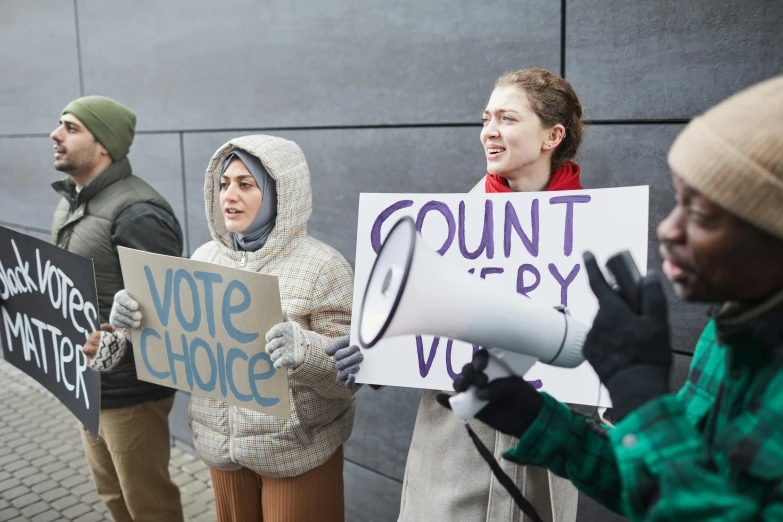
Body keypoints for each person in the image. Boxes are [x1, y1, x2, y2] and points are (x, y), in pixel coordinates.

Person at [448, 75, 783, 521]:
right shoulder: (726, 335)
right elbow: (663, 482)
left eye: (700, 213)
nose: (667, 230)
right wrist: (540, 422)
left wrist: (641, 400)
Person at [329, 68, 584, 522]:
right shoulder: (447, 227)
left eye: (506, 118)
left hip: (543, 453)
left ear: (552, 136)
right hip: (455, 449)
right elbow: (417, 329)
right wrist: (373, 355)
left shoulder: (594, 230)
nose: (489, 131)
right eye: (486, 118)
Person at [91, 135, 356, 522]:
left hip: (296, 453)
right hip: (222, 450)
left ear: (282, 191)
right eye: (223, 183)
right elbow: (180, 344)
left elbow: (349, 380)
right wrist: (129, 326)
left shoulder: (324, 268)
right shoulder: (203, 258)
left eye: (246, 184)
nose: (228, 195)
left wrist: (306, 351)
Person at [50, 95, 184, 522]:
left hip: (131, 396)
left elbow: (166, 309)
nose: (56, 135)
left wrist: (112, 343)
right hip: (89, 387)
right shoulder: (73, 199)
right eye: (60, 125)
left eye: (71, 128)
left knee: (150, 508)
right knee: (114, 499)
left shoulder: (137, 212)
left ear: (103, 143)